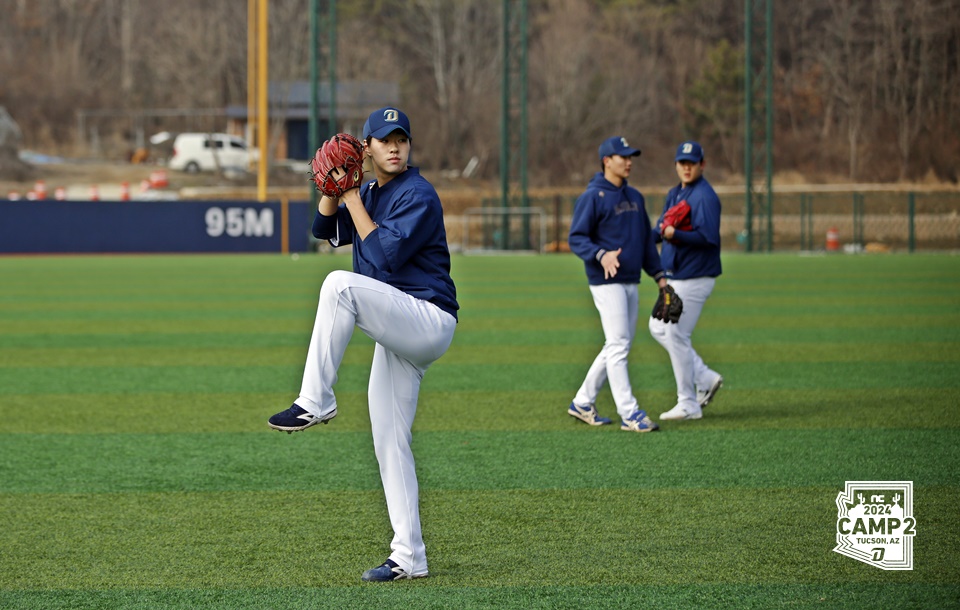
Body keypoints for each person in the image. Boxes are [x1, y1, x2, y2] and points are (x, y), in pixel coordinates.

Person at [267, 107, 459, 581]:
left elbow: (383, 256)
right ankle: (408, 556)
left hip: (427, 318)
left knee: (339, 286)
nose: (395, 146)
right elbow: (324, 232)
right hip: (400, 328)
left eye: (402, 139)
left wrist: (350, 193)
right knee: (389, 443)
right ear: (367, 148)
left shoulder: (418, 194)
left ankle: (316, 400)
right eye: (385, 139)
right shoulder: (370, 191)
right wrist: (332, 191)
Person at [567, 136, 667, 433]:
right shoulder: (593, 196)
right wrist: (600, 254)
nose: (628, 161)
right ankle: (629, 412)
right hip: (605, 280)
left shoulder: (635, 197)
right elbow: (577, 237)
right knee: (620, 343)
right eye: (622, 156)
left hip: (631, 279)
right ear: (606, 161)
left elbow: (646, 242)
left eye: (630, 156)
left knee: (617, 343)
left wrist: (660, 277)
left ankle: (583, 401)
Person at [649, 141, 723, 421]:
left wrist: (674, 234)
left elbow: (708, 239)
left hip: (696, 277)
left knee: (676, 333)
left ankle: (688, 403)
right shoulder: (675, 193)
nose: (687, 167)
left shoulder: (705, 197)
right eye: (682, 162)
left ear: (702, 164)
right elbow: (660, 230)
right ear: (676, 165)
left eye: (692, 162)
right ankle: (704, 376)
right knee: (657, 326)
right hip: (678, 276)